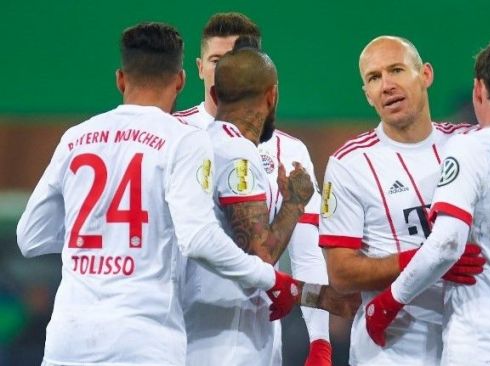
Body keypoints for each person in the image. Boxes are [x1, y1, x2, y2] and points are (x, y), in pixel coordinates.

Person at [15, 22, 300, 366]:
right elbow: (198, 239)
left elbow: (30, 237)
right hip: (143, 339)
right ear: (180, 80)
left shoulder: (76, 138)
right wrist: (269, 278)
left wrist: (104, 234)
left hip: (69, 338)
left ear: (120, 78)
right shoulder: (182, 139)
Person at [319, 35, 490, 366]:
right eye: (374, 78)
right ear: (366, 94)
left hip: (468, 343)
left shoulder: (469, 142)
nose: (386, 85)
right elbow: (341, 273)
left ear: (425, 75)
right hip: (392, 348)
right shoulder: (350, 164)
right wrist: (423, 260)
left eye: (396, 70)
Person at [175, 13, 336, 366]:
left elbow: (307, 255)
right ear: (201, 68)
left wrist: (319, 341)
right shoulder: (173, 136)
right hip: (175, 337)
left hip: (256, 343)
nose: (228, 71)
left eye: (238, 61)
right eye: (218, 62)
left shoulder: (290, 153)